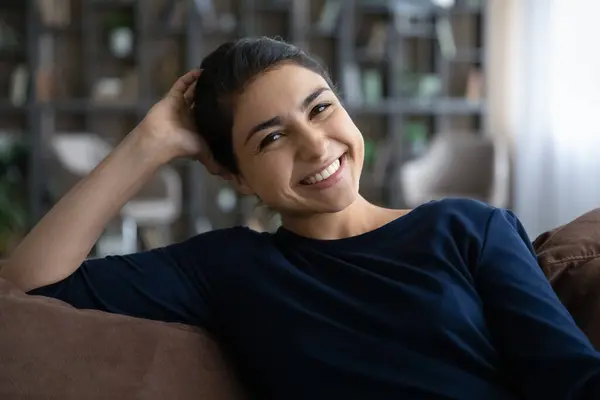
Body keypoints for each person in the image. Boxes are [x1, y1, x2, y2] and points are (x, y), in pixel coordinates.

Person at [2, 37, 600, 399]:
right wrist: (151, 139)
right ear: (233, 176)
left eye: (321, 108)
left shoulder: (468, 228)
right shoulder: (228, 268)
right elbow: (32, 279)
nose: (316, 147)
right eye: (271, 139)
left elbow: (571, 382)